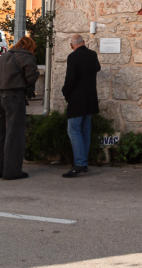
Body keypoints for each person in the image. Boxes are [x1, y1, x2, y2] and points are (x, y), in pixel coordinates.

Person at [0, 34, 39, 180]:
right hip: (13, 96)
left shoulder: (2, 57)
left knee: (0, 134)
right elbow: (32, 76)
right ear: (29, 47)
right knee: (14, 134)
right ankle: (12, 171)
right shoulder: (26, 56)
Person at [61, 34, 100, 178]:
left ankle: (79, 163)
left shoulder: (73, 57)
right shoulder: (92, 54)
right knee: (85, 131)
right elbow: (97, 68)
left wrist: (65, 92)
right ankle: (83, 162)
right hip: (90, 99)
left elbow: (70, 78)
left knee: (74, 131)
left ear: (72, 45)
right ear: (84, 42)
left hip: (77, 100)